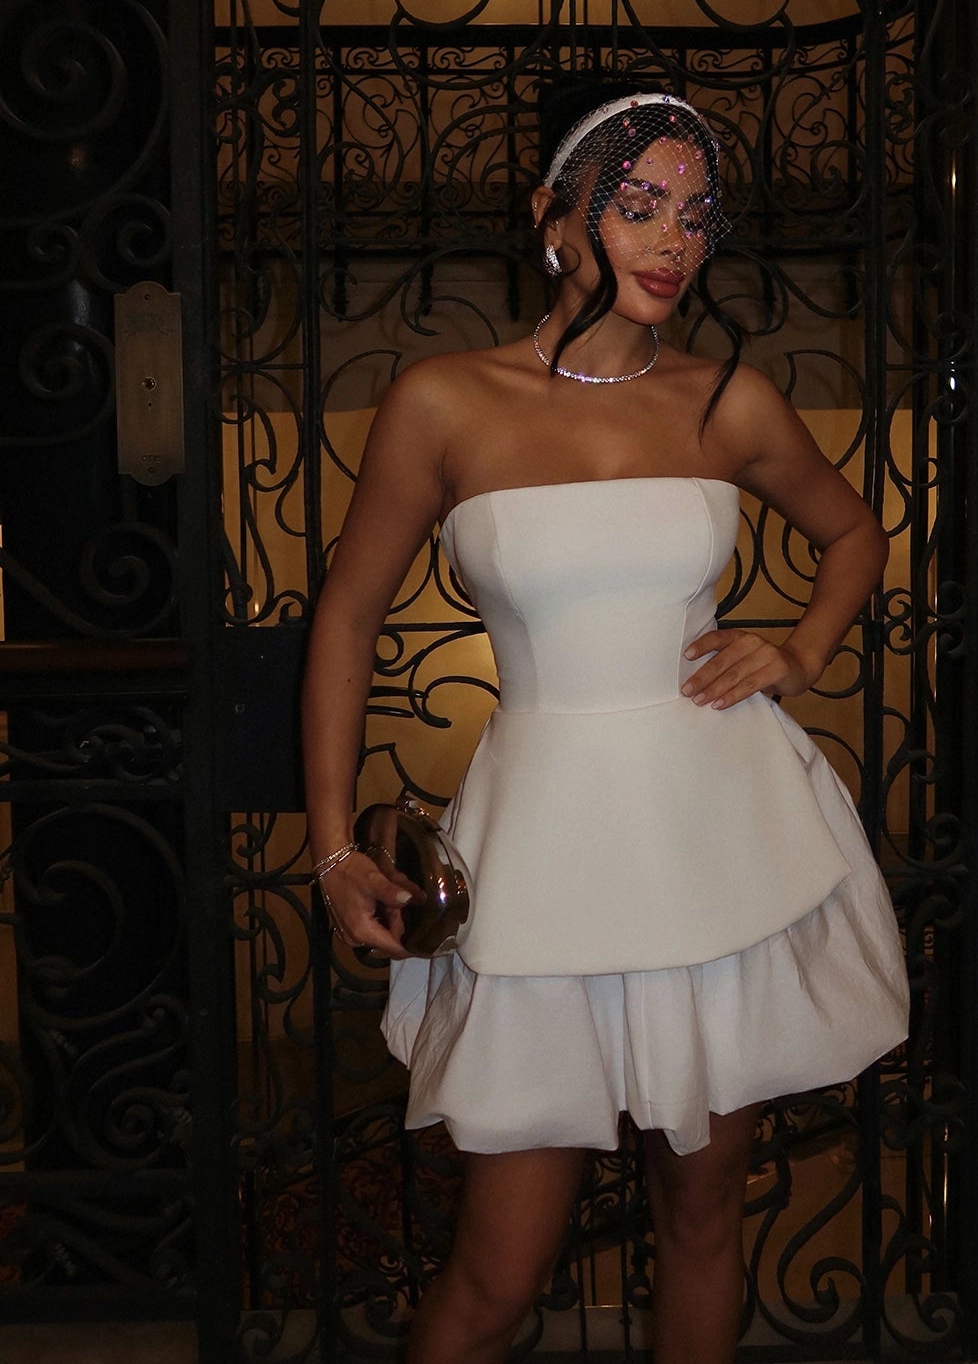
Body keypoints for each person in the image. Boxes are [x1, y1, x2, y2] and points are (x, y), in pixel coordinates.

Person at [302, 85, 909, 1364]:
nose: (673, 239)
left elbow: (856, 532)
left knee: (701, 1222)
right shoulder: (444, 401)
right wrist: (331, 847)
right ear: (553, 216)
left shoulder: (724, 399)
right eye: (638, 205)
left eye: (695, 214)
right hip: (544, 851)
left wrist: (798, 646)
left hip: (713, 839)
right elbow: (347, 619)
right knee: (500, 1270)